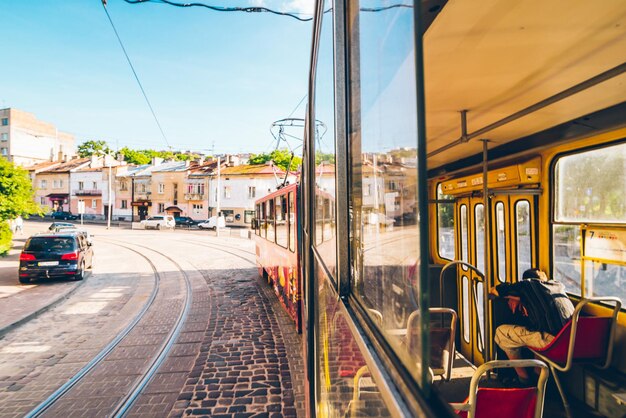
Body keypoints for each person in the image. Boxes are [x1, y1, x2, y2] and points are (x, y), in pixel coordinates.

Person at [490, 268, 575, 384]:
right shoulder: (558, 285)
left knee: (501, 333)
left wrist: (514, 296)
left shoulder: (527, 285)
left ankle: (524, 380)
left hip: (554, 344)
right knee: (537, 331)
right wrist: (521, 298)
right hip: (573, 343)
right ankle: (537, 376)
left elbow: (494, 291)